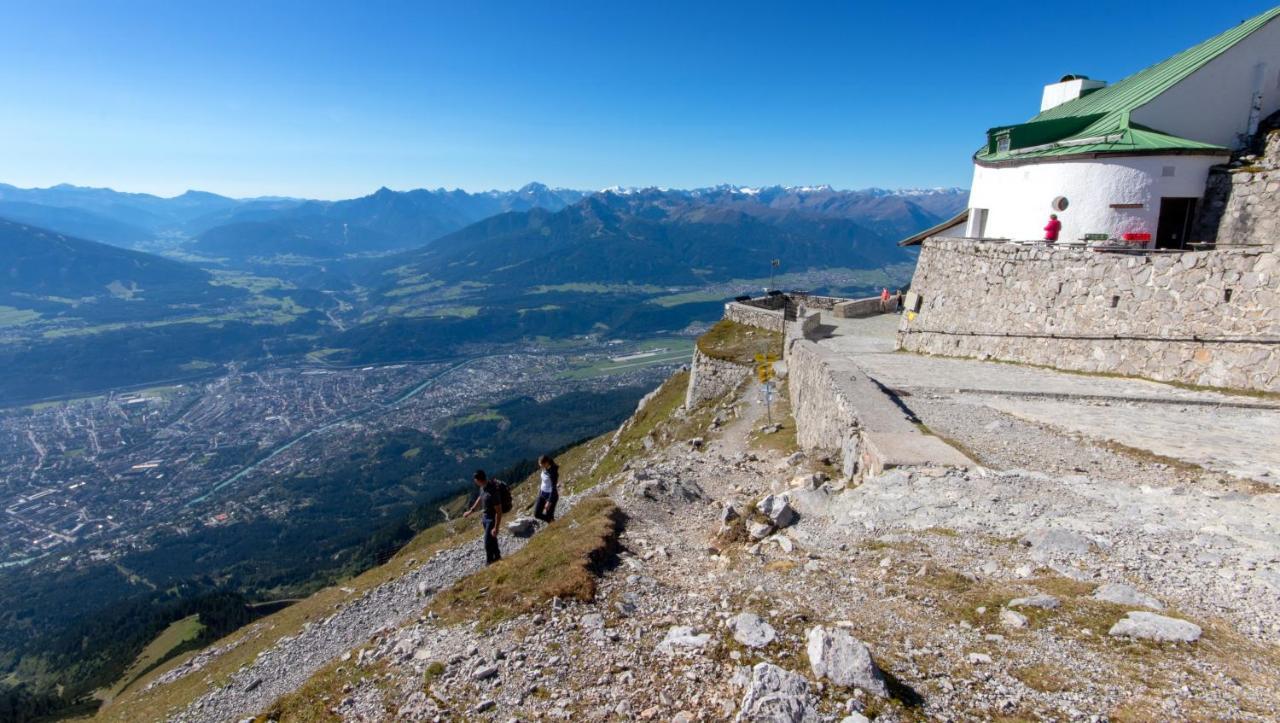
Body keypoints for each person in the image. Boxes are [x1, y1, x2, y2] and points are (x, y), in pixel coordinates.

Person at [462, 470, 502, 564]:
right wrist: (471, 511)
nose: (475, 482)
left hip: (491, 519)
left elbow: (499, 511)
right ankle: (497, 557)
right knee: (492, 539)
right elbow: (480, 498)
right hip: (485, 517)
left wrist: (496, 527)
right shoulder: (483, 487)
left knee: (487, 542)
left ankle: (489, 562)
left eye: (475, 480)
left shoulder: (492, 491)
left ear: (478, 480)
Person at [534, 454, 559, 522]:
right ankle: (552, 521)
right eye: (539, 464)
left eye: (541, 464)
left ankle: (554, 525)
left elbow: (553, 487)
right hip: (542, 494)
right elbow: (543, 481)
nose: (540, 466)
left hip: (551, 496)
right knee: (537, 514)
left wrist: (549, 501)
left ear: (546, 463)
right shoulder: (544, 468)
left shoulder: (553, 472)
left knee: (549, 516)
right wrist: (540, 492)